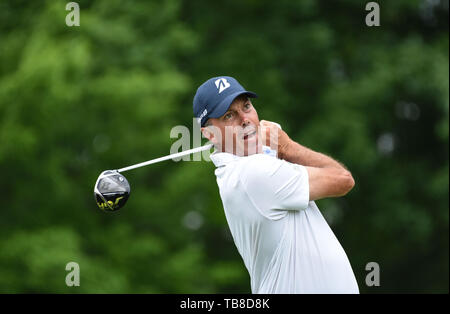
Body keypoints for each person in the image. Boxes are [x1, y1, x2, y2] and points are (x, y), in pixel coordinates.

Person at [193, 76, 359, 294]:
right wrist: (287, 147)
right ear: (209, 134)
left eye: (247, 106)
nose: (245, 119)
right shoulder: (253, 173)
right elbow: (343, 180)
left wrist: (274, 150)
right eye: (229, 115)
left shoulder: (245, 170)